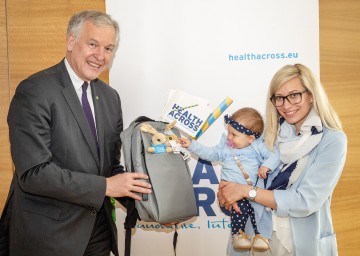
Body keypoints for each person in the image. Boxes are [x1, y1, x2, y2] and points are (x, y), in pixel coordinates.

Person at [0, 10, 152, 256]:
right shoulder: (34, 91)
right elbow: (34, 173)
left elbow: (110, 168)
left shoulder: (111, 98)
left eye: (108, 49)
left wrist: (153, 204)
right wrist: (104, 187)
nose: (100, 56)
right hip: (49, 238)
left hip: (99, 233)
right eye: (93, 44)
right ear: (71, 41)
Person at [217, 63, 347, 256]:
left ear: (311, 95)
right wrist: (226, 192)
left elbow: (304, 201)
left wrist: (246, 192)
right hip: (255, 239)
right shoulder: (264, 133)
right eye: (279, 98)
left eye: (294, 95)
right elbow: (236, 168)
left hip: (299, 244)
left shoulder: (332, 140)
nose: (286, 105)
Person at [179, 107, 281, 253]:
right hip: (229, 193)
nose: (229, 137)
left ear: (250, 138)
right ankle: (238, 234)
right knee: (241, 209)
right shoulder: (226, 148)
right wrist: (192, 145)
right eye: (228, 132)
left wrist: (266, 166)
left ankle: (261, 236)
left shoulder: (258, 147)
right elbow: (211, 153)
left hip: (252, 191)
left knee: (259, 211)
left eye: (234, 134)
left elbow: (275, 155)